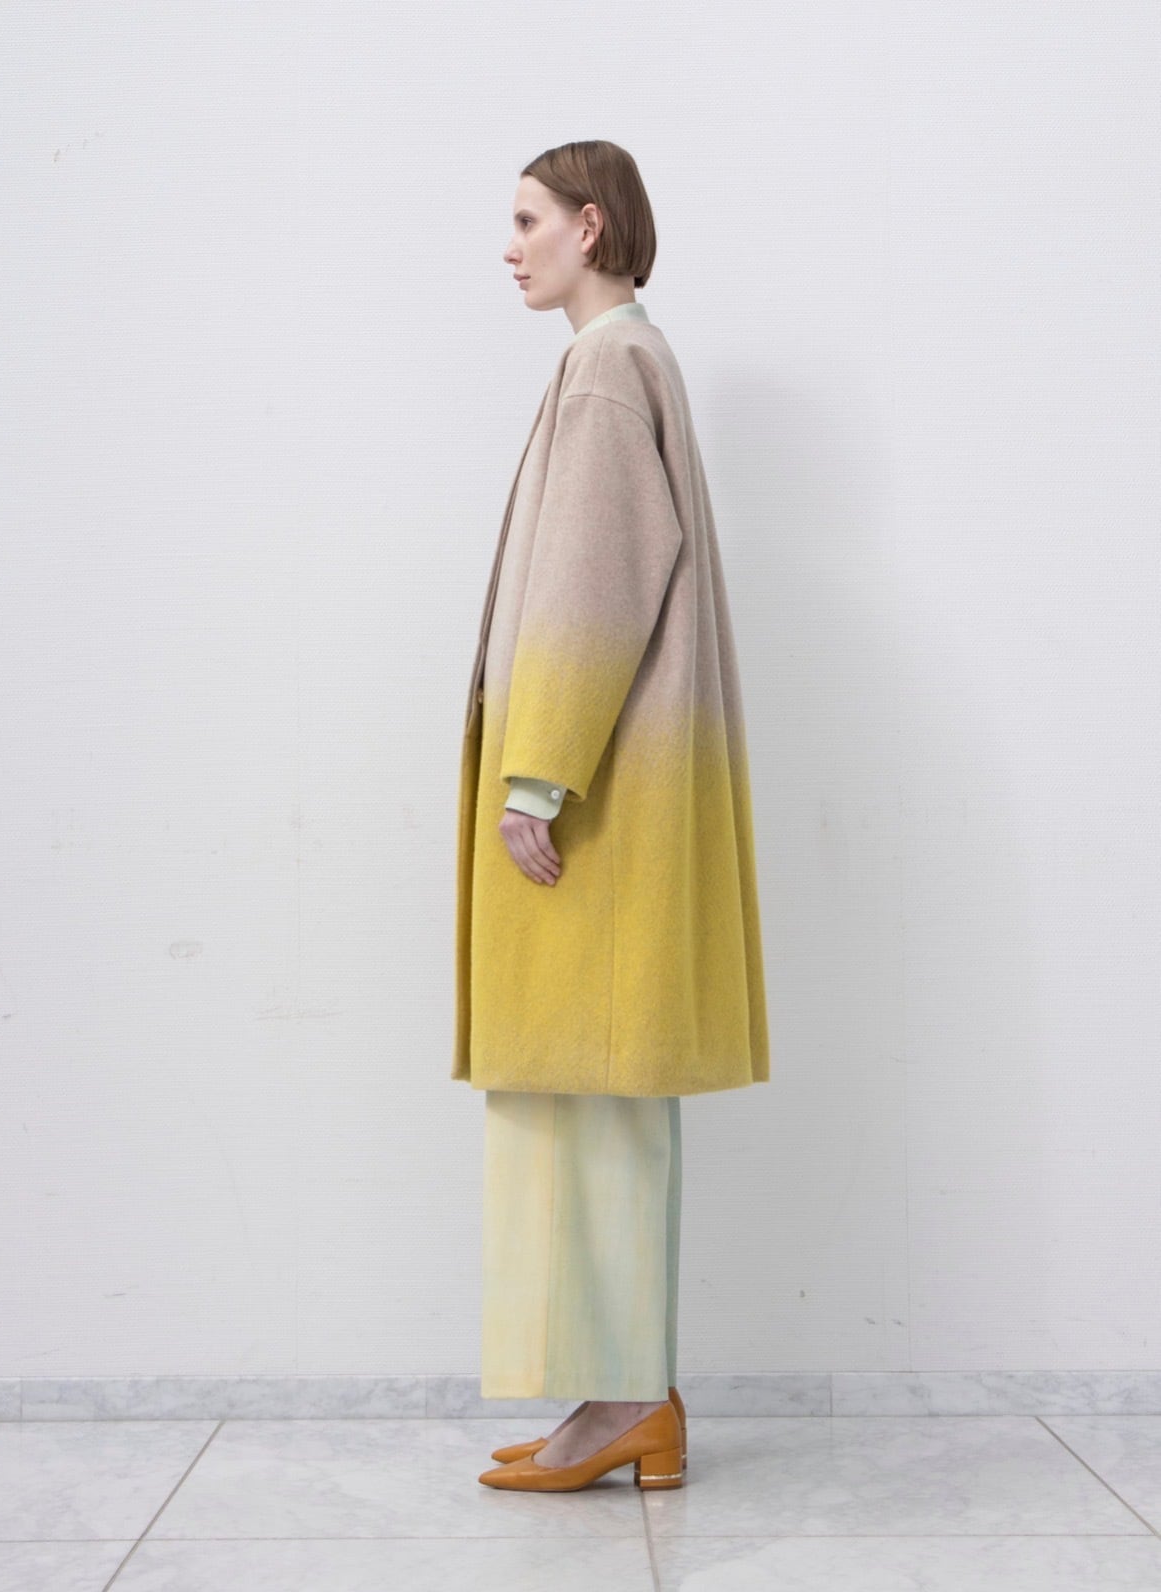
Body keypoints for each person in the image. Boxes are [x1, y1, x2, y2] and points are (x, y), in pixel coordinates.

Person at [452, 140, 770, 1492]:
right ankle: (622, 1397)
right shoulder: (634, 358)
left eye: (527, 219)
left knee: (593, 1101)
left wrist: (537, 778)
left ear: (590, 227)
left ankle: (628, 1399)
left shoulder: (602, 370)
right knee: (603, 1102)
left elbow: (595, 582)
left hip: (596, 802)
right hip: (629, 790)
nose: (509, 245)